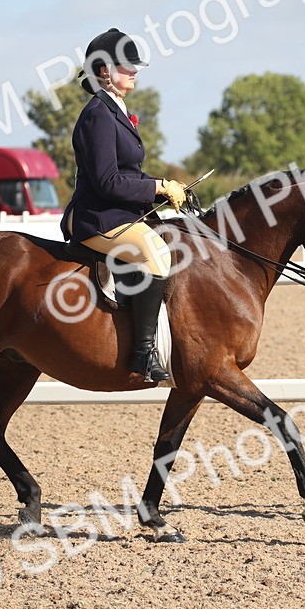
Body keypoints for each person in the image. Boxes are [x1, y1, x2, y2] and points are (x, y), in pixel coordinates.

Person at [60, 28, 186, 382]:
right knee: (157, 254)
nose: (134, 71)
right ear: (103, 71)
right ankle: (143, 354)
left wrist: (164, 190)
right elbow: (107, 182)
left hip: (118, 212)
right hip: (98, 218)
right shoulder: (98, 114)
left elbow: (127, 174)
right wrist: (157, 186)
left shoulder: (115, 110)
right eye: (127, 66)